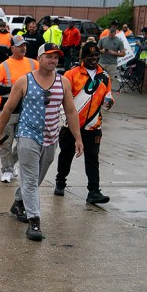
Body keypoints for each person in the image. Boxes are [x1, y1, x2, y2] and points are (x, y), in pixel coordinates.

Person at [0, 44, 83, 241]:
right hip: (27, 135)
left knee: (37, 177)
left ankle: (18, 202)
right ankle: (34, 221)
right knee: (31, 180)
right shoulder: (25, 81)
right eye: (49, 56)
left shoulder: (63, 82)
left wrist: (78, 137)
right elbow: (7, 109)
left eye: (56, 57)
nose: (53, 61)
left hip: (51, 137)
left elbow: (70, 111)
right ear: (40, 58)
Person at [54, 42, 114, 204]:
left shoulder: (104, 76)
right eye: (90, 56)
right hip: (71, 126)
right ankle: (60, 182)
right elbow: (61, 98)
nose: (94, 59)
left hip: (93, 126)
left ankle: (93, 192)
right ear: (83, 57)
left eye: (96, 56)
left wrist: (109, 101)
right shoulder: (71, 74)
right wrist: (64, 119)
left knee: (92, 159)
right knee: (66, 155)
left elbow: (107, 95)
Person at [0, 34, 39, 183]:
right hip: (8, 110)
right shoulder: (4, 66)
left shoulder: (33, 64)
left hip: (27, 110)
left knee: (25, 142)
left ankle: (10, 164)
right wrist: (16, 89)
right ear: (12, 48)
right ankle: (7, 170)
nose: (23, 48)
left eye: (24, 45)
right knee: (6, 142)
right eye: (19, 46)